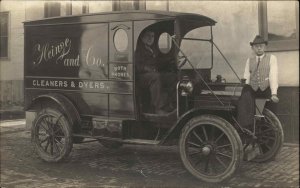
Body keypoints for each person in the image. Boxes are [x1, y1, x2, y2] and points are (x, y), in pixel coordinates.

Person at [237, 35, 279, 129]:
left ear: (265, 47)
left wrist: (274, 94)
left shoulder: (272, 58)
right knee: (251, 113)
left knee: (267, 118)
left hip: (265, 91)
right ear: (253, 48)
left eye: (261, 46)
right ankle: (250, 133)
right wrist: (244, 91)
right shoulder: (249, 60)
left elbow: (273, 75)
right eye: (256, 46)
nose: (259, 48)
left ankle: (268, 141)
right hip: (253, 91)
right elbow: (246, 76)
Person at [135, 30, 177, 114]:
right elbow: (138, 66)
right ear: (142, 38)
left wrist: (171, 60)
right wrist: (148, 69)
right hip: (140, 77)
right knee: (156, 77)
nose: (151, 38)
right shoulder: (138, 49)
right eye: (148, 36)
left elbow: (158, 62)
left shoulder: (153, 49)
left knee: (172, 77)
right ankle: (158, 108)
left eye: (153, 36)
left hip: (152, 74)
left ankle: (171, 104)